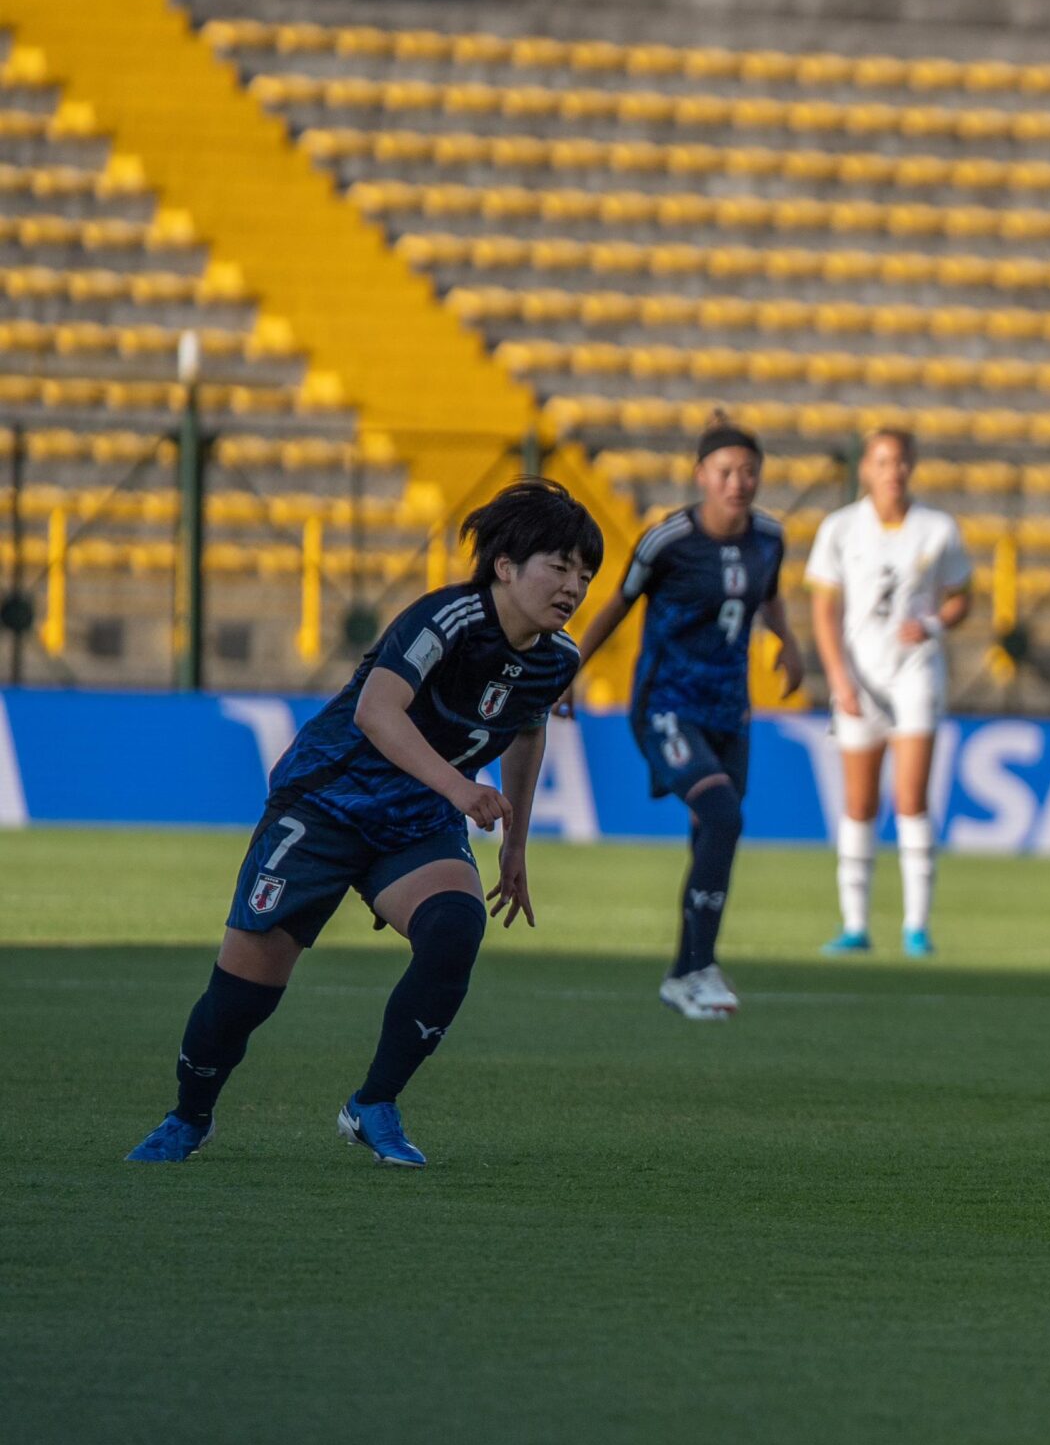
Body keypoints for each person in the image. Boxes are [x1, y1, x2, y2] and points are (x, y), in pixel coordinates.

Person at [125, 479, 601, 1167]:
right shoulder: (445, 620)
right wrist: (462, 788)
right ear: (506, 565)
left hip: (416, 820)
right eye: (559, 567)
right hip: (325, 805)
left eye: (584, 574)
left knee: (454, 929)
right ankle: (190, 1116)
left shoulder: (560, 659)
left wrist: (517, 846)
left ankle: (373, 1103)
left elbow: (529, 732)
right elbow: (376, 712)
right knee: (241, 1000)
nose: (573, 587)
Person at [573, 420, 799, 1021]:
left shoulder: (770, 537)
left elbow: (769, 594)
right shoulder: (668, 539)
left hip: (731, 710)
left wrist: (789, 644)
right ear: (701, 475)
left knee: (714, 833)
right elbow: (617, 605)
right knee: (724, 813)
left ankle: (685, 972)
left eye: (748, 471)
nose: (738, 482)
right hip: (666, 705)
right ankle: (698, 967)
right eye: (725, 471)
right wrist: (566, 670)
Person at [806, 427, 973, 957]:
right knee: (858, 803)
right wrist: (838, 677)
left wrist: (935, 624)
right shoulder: (840, 528)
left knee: (911, 798)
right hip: (859, 676)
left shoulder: (937, 528)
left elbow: (962, 597)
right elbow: (824, 610)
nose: (892, 471)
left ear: (912, 467)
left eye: (900, 461)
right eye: (882, 462)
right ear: (866, 470)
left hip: (915, 672)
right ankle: (855, 925)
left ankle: (916, 926)